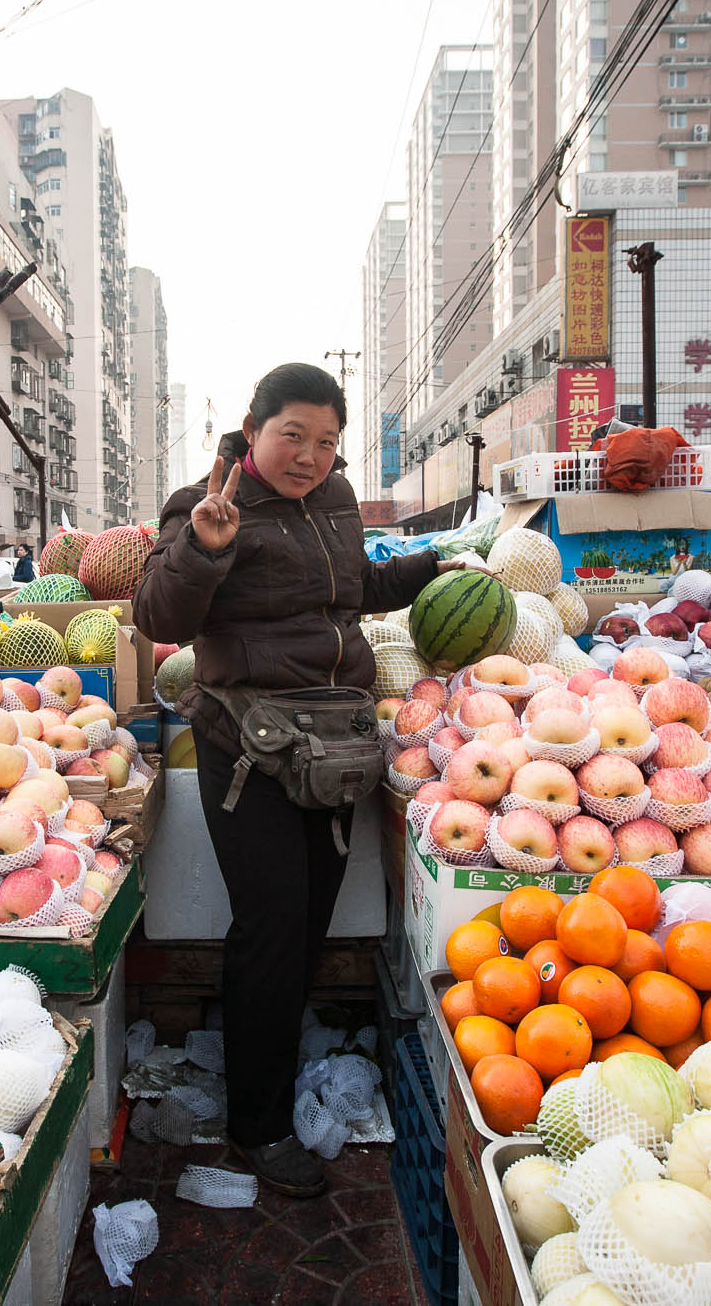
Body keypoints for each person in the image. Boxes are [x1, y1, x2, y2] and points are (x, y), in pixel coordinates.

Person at [134, 362, 473, 1198]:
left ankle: (269, 1058)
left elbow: (354, 593)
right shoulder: (207, 502)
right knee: (272, 925)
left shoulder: (338, 502)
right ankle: (259, 1125)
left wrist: (440, 567)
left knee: (310, 917)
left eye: (326, 441)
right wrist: (206, 550)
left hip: (335, 738)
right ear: (253, 430)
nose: (310, 455)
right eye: (293, 435)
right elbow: (160, 617)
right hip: (246, 742)